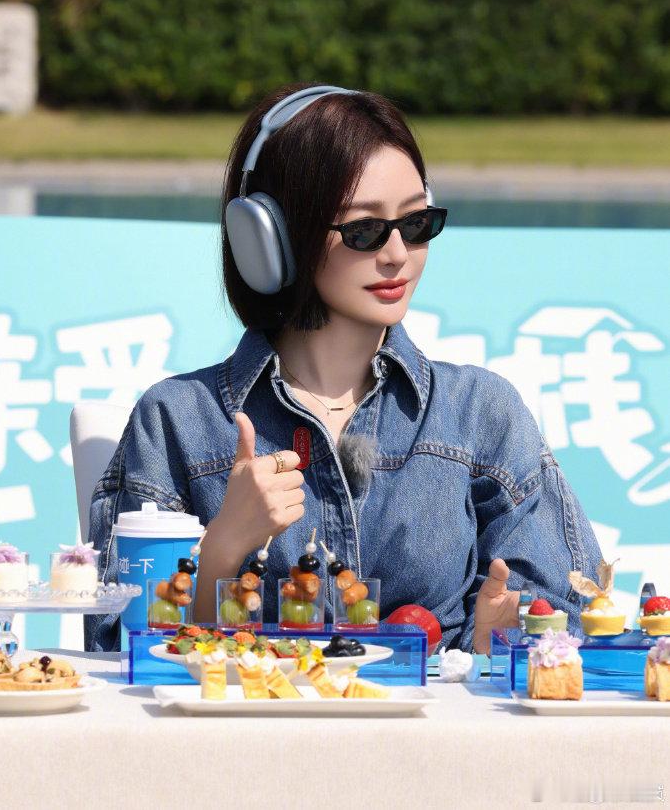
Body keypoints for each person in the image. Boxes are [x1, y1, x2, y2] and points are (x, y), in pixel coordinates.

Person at [86, 83, 602, 653]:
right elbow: (116, 650)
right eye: (364, 231)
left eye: (416, 223)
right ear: (272, 240)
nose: (397, 254)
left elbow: (569, 618)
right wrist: (221, 551)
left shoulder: (481, 413)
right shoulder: (176, 420)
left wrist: (491, 644)